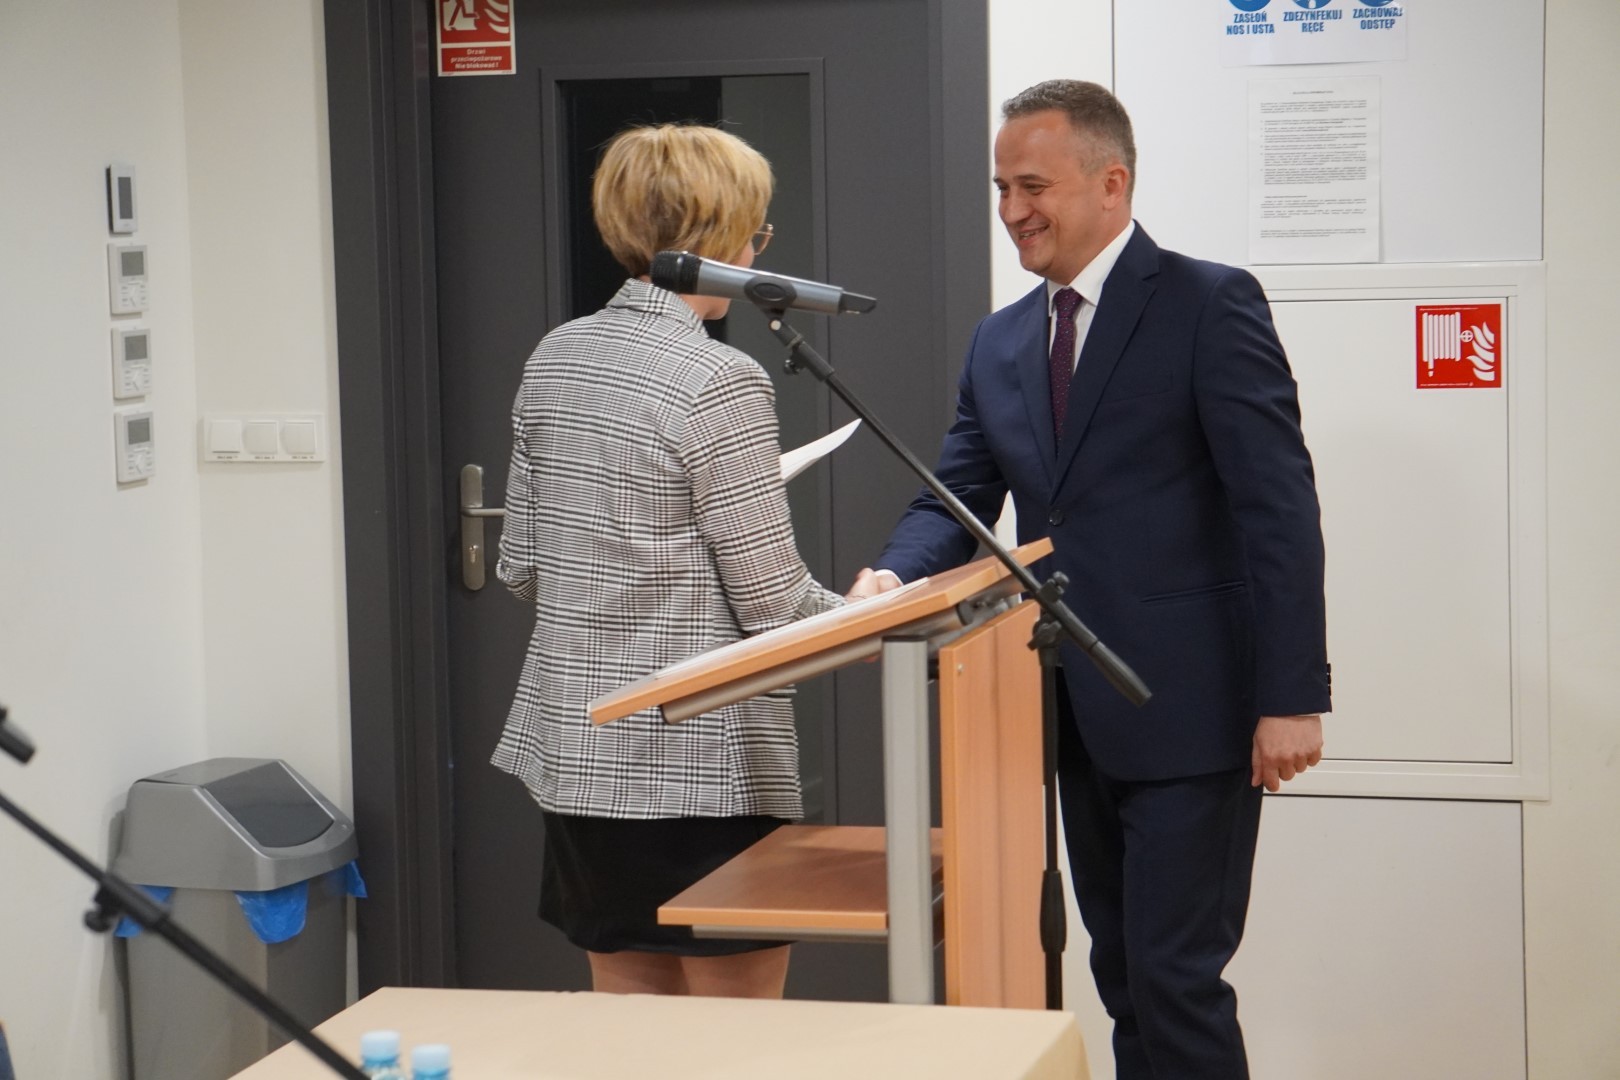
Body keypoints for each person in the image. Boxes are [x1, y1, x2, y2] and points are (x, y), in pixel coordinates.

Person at [850, 81, 1330, 1077]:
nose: (1013, 209)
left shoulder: (1208, 303)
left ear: (1112, 183)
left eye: (1034, 186)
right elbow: (958, 495)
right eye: (1001, 188)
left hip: (1194, 708)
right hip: (1069, 710)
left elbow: (1278, 510)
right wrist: (890, 576)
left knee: (1175, 978)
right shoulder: (1000, 339)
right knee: (1120, 976)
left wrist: (1292, 696)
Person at [490, 123, 844, 1000]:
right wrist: (876, 610)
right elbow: (774, 606)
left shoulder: (555, 356)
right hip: (699, 766)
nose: (760, 251)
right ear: (723, 235)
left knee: (632, 1034)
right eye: (757, 232)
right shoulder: (720, 379)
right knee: (734, 1043)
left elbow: (521, 566)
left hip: (579, 755)